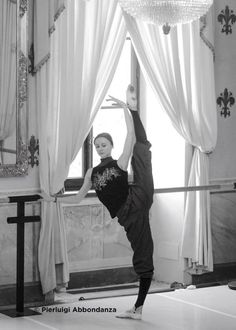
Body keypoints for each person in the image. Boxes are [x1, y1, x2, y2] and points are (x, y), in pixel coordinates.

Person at [56, 84, 154, 320]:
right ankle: (138, 308)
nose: (100, 148)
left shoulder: (119, 163)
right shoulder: (91, 172)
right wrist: (57, 199)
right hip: (128, 214)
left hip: (137, 197)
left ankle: (138, 309)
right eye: (97, 145)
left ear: (111, 146)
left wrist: (126, 110)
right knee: (142, 254)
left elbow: (130, 137)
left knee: (141, 150)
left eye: (104, 145)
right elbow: (79, 196)